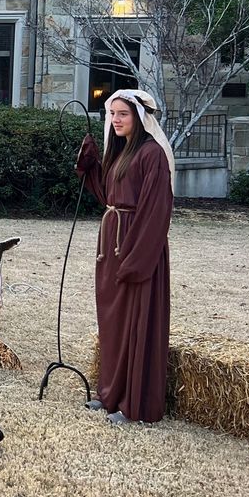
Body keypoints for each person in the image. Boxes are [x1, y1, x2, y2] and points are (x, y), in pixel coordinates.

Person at [76, 88, 175, 425]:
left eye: (123, 114)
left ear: (139, 117)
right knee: (115, 323)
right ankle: (110, 396)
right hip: (113, 247)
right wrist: (90, 166)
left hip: (135, 250)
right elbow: (108, 195)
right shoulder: (120, 154)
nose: (116, 120)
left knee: (135, 323)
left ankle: (133, 406)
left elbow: (156, 211)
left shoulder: (152, 155)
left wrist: (135, 257)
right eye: (112, 114)